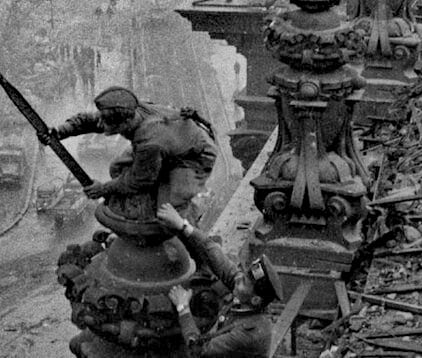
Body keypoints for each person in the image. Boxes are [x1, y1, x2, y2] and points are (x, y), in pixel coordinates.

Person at [42, 86, 218, 221]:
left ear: (125, 122)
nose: (101, 125)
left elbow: (139, 179)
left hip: (195, 156)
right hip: (173, 141)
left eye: (108, 123)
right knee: (118, 167)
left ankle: (190, 223)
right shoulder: (132, 111)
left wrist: (103, 188)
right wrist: (59, 132)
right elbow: (90, 120)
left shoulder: (149, 142)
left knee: (167, 214)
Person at [157, 203, 282, 358]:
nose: (238, 278)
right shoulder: (247, 298)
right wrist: (183, 225)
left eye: (243, 282)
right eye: (242, 276)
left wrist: (183, 308)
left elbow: (198, 351)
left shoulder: (250, 333)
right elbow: (216, 255)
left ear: (256, 300)